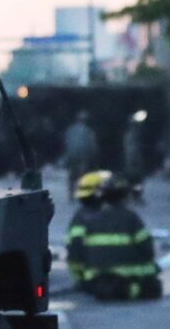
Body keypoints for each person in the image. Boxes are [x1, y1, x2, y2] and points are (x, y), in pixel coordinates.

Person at [68, 172, 162, 301]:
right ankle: (133, 290)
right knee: (154, 287)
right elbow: (147, 250)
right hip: (131, 278)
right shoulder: (131, 217)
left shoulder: (90, 220)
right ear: (124, 197)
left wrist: (82, 279)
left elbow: (75, 253)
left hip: (99, 281)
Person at [61, 110, 98, 205]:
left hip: (73, 154)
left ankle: (72, 194)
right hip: (83, 155)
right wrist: (92, 153)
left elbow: (66, 142)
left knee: (73, 175)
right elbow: (92, 144)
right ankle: (82, 194)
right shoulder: (88, 131)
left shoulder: (71, 129)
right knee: (82, 175)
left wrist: (68, 153)